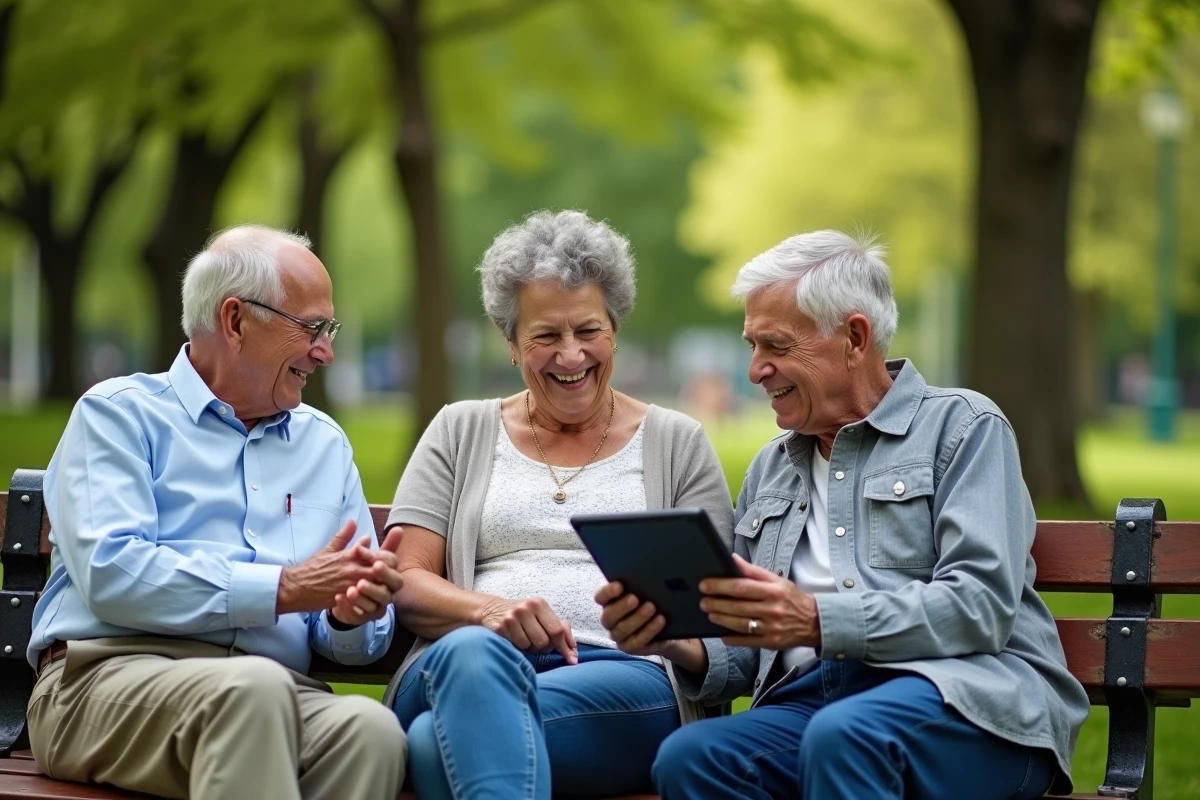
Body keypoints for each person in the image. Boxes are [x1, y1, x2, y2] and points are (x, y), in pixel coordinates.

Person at [599, 230, 1091, 799]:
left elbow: (979, 606)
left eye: (776, 346)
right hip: (815, 702)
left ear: (854, 337)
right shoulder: (771, 468)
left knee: (846, 737)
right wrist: (672, 638)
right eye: (751, 346)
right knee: (693, 758)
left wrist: (818, 620)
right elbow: (747, 643)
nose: (756, 369)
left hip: (970, 705)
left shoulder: (962, 428)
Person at [26, 225, 407, 800]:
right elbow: (112, 573)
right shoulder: (117, 417)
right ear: (235, 321)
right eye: (312, 328)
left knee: (370, 731)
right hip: (101, 680)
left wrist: (348, 616)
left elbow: (347, 633)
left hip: (274, 689)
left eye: (329, 330)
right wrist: (283, 587)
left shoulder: (324, 444)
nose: (325, 351)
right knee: (250, 692)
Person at [382, 209, 734, 799]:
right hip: (459, 665)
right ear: (513, 345)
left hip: (622, 677)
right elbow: (404, 576)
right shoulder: (458, 430)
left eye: (588, 331)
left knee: (429, 746)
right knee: (472, 659)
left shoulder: (678, 443)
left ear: (615, 330)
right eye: (546, 336)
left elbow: (718, 617)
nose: (571, 356)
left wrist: (660, 632)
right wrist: (487, 612)